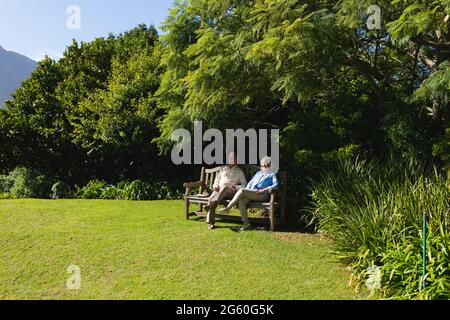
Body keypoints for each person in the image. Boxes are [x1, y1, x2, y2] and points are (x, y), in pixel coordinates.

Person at [219, 156, 278, 231]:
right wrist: (236, 188)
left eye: (263, 165)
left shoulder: (271, 175)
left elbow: (275, 185)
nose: (261, 167)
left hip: (262, 195)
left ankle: (228, 208)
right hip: (253, 193)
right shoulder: (258, 173)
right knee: (242, 201)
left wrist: (264, 189)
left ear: (267, 166)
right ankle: (246, 224)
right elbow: (249, 184)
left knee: (242, 191)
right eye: (261, 165)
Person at [206, 152, 247, 230]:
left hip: (230, 191)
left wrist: (236, 187)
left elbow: (244, 184)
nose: (232, 160)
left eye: (234, 158)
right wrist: (215, 186)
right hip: (219, 190)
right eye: (230, 158)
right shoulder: (223, 169)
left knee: (224, 187)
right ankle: (211, 223)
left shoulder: (239, 171)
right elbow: (217, 179)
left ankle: (211, 206)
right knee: (211, 198)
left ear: (237, 160)